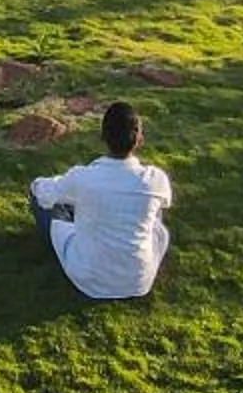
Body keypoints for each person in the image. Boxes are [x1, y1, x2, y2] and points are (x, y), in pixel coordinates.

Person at [28, 100, 174, 301]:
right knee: (154, 209)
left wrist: (37, 184)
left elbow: (44, 193)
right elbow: (164, 204)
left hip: (90, 278)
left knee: (44, 200)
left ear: (103, 137)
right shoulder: (155, 180)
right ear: (140, 139)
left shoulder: (83, 177)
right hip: (139, 279)